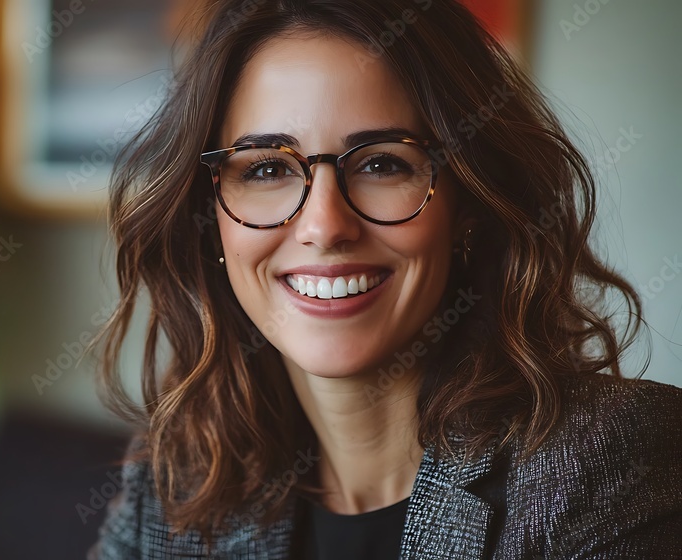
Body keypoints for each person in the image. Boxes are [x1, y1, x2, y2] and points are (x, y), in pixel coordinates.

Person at [87, 0, 682, 558]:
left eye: (381, 163)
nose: (324, 225)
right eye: (267, 168)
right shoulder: (169, 492)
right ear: (209, 221)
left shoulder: (611, 457)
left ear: (469, 204)